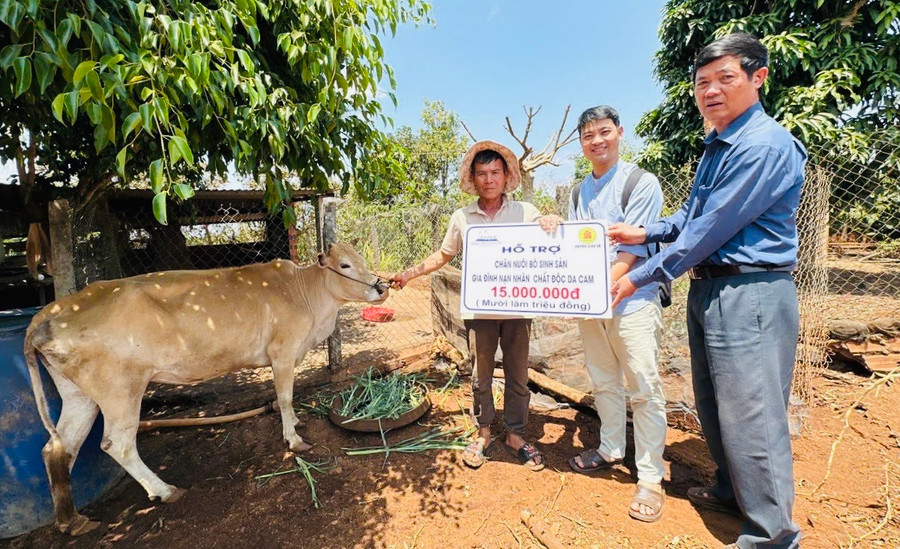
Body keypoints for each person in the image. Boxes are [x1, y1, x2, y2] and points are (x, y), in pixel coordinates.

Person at [608, 33, 807, 548]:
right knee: (716, 403)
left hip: (751, 293)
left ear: (758, 78)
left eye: (726, 79)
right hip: (712, 291)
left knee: (754, 413)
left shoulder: (762, 145)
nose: (710, 91)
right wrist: (645, 232)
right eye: (702, 83)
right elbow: (691, 218)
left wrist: (637, 276)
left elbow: (706, 232)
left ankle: (772, 533)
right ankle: (730, 489)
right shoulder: (721, 143)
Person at [543, 106, 667, 522]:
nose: (597, 141)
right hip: (591, 302)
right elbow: (577, 246)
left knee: (644, 385)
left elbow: (633, 251)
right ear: (581, 143)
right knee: (604, 380)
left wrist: (595, 289)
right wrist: (553, 225)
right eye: (588, 136)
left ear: (619, 133)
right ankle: (611, 448)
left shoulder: (640, 183)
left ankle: (650, 477)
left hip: (631, 299)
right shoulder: (581, 191)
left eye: (604, 132)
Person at [391, 140, 547, 471]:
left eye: (495, 172)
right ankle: (485, 431)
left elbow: (551, 246)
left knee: (519, 375)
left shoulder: (527, 213)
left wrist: (554, 223)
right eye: (481, 174)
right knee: (481, 375)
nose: (489, 179)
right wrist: (408, 274)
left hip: (518, 310)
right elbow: (443, 255)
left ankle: (516, 434)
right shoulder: (462, 217)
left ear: (506, 176)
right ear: (473, 180)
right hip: (480, 312)